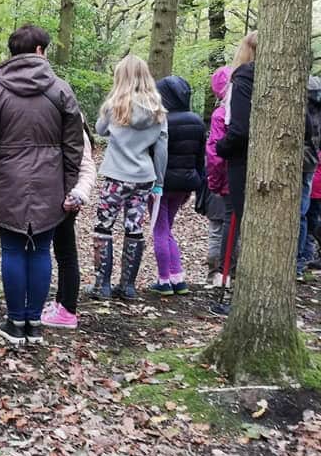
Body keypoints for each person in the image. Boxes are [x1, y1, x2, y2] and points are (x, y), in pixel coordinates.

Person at [0, 25, 83, 345]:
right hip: (51, 181)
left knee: (12, 249)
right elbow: (74, 144)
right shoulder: (61, 89)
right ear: (39, 51)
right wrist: (69, 183)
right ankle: (33, 322)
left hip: (8, 179)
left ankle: (15, 321)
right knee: (40, 251)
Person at [89, 55, 168, 301]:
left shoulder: (114, 105)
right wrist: (159, 181)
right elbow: (162, 147)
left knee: (104, 226)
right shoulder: (158, 109)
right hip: (144, 176)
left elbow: (99, 129)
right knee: (134, 227)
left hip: (115, 176)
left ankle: (102, 285)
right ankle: (128, 286)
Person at [148, 76, 205, 295]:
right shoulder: (197, 121)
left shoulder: (162, 121)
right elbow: (201, 157)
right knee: (167, 229)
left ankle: (164, 281)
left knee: (160, 231)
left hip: (162, 185)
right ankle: (177, 277)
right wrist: (197, 183)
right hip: (185, 184)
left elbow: (154, 154)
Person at [41, 117, 96, 330]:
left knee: (66, 255)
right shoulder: (61, 118)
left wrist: (78, 194)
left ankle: (68, 311)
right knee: (62, 253)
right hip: (57, 196)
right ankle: (61, 303)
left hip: (66, 199)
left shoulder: (73, 123)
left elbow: (87, 165)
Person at [215, 32, 257, 266]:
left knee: (243, 219)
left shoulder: (242, 79)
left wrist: (223, 146)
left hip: (241, 159)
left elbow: (239, 128)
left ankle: (234, 273)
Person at [205, 66, 234, 294]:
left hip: (226, 181)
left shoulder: (220, 115)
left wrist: (214, 183)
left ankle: (219, 273)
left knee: (221, 226)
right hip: (240, 178)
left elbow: (215, 155)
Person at [296, 76, 321, 282]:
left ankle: (298, 260)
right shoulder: (317, 112)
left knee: (300, 215)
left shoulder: (302, 111)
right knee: (303, 214)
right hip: (310, 165)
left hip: (302, 164)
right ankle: (301, 259)